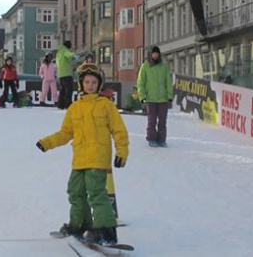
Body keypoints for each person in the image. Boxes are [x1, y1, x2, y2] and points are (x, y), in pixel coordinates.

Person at [36, 62, 129, 246]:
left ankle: (106, 231)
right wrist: (47, 143)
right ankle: (79, 225)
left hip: (98, 158)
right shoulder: (74, 108)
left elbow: (119, 131)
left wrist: (122, 152)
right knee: (75, 192)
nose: (90, 86)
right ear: (81, 84)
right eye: (87, 82)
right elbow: (65, 133)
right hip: (79, 160)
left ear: (99, 85)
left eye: (94, 82)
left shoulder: (105, 105)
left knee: (96, 194)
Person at [137, 46, 173, 147]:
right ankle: (151, 138)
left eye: (157, 53)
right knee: (151, 120)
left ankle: (161, 139)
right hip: (150, 98)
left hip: (162, 99)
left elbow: (168, 81)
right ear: (150, 54)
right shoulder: (145, 66)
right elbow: (141, 82)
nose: (155, 55)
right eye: (153, 53)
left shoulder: (164, 66)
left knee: (162, 121)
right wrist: (142, 96)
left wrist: (169, 95)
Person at [56, 40, 78, 109]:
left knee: (62, 90)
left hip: (60, 74)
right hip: (67, 74)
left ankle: (60, 104)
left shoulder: (58, 53)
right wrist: (74, 54)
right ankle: (68, 104)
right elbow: (68, 54)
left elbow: (59, 62)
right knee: (69, 90)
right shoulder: (64, 51)